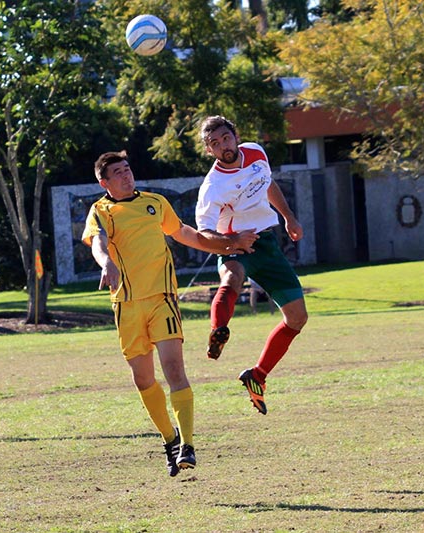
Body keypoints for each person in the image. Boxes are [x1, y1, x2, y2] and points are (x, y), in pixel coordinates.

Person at [82, 151, 257, 476]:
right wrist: (106, 262)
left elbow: (187, 235)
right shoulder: (101, 210)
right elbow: (98, 242)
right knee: (144, 379)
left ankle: (188, 445)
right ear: (104, 182)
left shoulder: (155, 203)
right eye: (118, 173)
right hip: (126, 305)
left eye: (128, 168)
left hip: (162, 299)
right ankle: (169, 440)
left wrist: (228, 244)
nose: (126, 175)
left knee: (174, 369)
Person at [196, 116, 308, 415]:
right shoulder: (212, 187)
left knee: (297, 317)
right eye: (215, 144)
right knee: (232, 278)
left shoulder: (256, 152)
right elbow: (204, 235)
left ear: (235, 135)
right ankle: (218, 330)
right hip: (234, 245)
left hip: (267, 244)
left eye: (225, 138)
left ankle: (257, 375)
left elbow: (267, 184)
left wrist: (289, 217)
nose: (223, 147)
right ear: (209, 151)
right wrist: (233, 241)